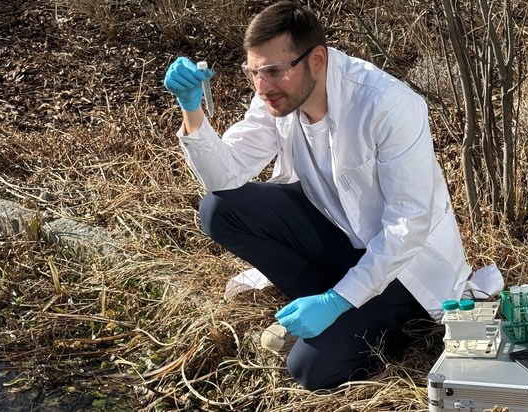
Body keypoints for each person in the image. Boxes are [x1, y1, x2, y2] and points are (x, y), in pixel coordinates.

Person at [164, 1, 473, 391]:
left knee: (312, 371)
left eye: (273, 71)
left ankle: (390, 321)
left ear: (317, 60)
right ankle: (322, 302)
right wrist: (192, 112)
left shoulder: (388, 105)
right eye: (253, 72)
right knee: (221, 210)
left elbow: (407, 226)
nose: (262, 87)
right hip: (338, 234)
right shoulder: (278, 96)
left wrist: (338, 302)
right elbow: (224, 176)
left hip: (402, 268)